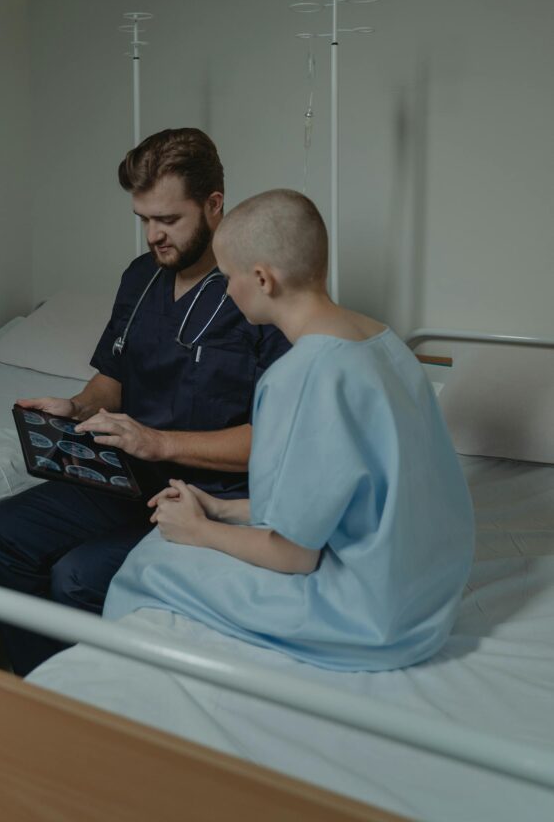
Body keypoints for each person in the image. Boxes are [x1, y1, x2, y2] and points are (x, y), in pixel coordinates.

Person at [103, 189, 475, 671]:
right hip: (426, 597)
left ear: (262, 278)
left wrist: (199, 531)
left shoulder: (299, 376)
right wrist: (222, 508)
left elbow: (294, 555)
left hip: (369, 617)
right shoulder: (385, 342)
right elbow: (352, 494)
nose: (226, 290)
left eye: (226, 277)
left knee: (148, 564)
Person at [0, 129, 289, 675]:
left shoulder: (256, 292)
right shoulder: (141, 278)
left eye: (168, 220)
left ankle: (102, 710)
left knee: (77, 575)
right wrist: (75, 408)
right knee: (0, 535)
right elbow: (112, 379)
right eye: (144, 219)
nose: (154, 236)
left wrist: (159, 440)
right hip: (124, 477)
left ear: (214, 205)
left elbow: (277, 442)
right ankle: (50, 691)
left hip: (209, 495)